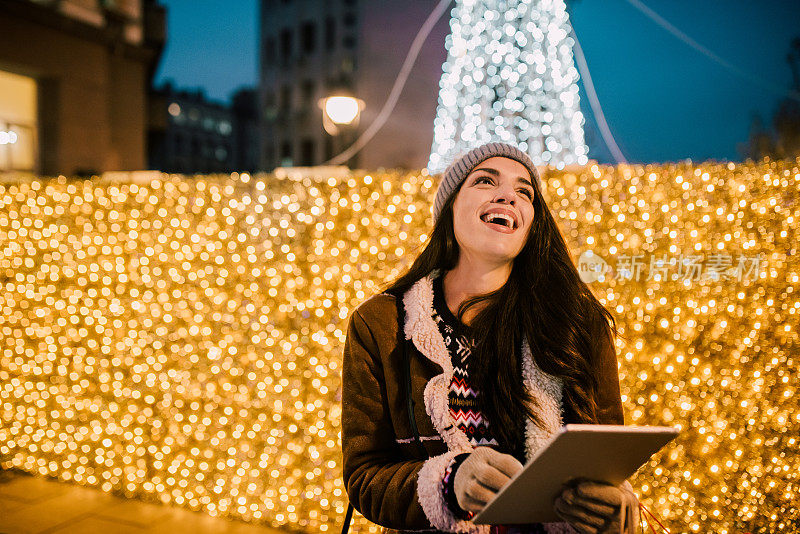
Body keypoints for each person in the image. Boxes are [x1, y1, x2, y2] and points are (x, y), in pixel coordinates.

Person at [341, 142, 639, 534]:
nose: (508, 196)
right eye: (485, 181)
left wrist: (612, 506)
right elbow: (365, 475)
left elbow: (604, 461)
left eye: (525, 192)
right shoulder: (381, 323)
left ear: (532, 222)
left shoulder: (577, 322)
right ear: (449, 209)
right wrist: (449, 482)